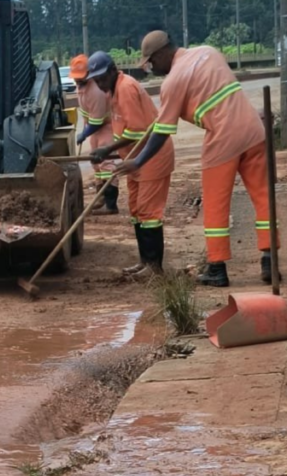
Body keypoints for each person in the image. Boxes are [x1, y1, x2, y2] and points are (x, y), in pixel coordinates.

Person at [115, 31, 277, 287]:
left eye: (151, 62)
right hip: (254, 130)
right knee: (263, 196)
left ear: (161, 54)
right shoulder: (208, 52)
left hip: (223, 138)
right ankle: (270, 259)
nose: (151, 68)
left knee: (215, 204)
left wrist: (138, 161)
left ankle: (217, 267)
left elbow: (161, 131)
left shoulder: (173, 81)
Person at [88, 51, 175, 277]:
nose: (99, 83)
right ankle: (145, 262)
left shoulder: (126, 88)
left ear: (112, 70)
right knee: (137, 211)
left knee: (149, 213)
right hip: (134, 160)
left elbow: (136, 130)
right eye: (95, 80)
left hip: (151, 157)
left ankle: (155, 267)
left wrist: (107, 150)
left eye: (101, 78)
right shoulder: (112, 91)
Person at [70, 54, 119, 215]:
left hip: (104, 128)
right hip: (94, 130)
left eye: (81, 78)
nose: (78, 81)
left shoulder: (96, 91)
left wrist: (83, 134)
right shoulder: (81, 86)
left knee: (107, 165)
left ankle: (111, 205)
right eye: (76, 78)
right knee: (96, 164)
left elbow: (97, 121)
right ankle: (100, 198)